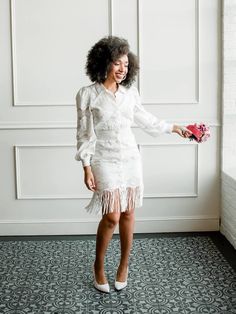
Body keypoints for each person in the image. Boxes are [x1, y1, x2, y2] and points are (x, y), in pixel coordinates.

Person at [75, 36, 192, 293]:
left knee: (128, 213)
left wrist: (174, 128)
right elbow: (84, 134)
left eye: (126, 65)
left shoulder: (130, 94)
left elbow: (147, 120)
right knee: (111, 216)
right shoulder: (87, 95)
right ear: (103, 62)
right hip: (103, 158)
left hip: (130, 157)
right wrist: (86, 166)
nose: (122, 69)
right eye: (117, 63)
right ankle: (98, 265)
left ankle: (124, 265)